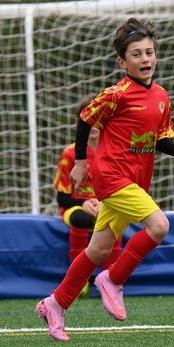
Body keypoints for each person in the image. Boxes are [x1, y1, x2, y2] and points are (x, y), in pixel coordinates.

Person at [36, 18, 174, 341]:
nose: (145, 59)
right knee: (159, 226)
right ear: (122, 62)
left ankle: (55, 304)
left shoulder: (161, 96)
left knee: (98, 249)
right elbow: (85, 120)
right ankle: (113, 280)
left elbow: (159, 139)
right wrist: (82, 162)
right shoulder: (117, 94)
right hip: (112, 176)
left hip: (136, 179)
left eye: (149, 52)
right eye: (136, 54)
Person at [53, 95, 121, 296]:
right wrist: (84, 204)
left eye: (99, 117)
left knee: (115, 219)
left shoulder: (115, 152)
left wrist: (103, 204)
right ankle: (78, 280)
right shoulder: (70, 154)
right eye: (88, 119)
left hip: (106, 206)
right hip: (76, 208)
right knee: (80, 219)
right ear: (78, 123)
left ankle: (111, 279)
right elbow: (62, 198)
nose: (93, 124)